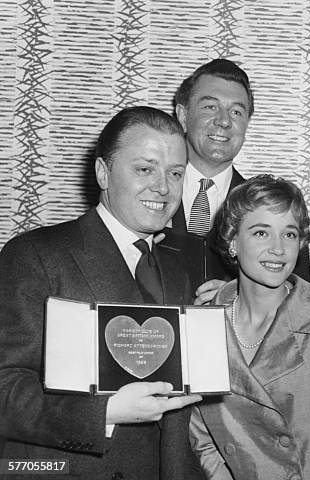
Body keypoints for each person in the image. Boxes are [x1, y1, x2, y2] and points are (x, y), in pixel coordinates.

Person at [0, 107, 202, 479]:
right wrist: (104, 413)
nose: (163, 187)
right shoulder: (35, 254)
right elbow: (5, 387)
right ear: (102, 173)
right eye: (145, 169)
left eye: (175, 173)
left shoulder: (176, 271)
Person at [186, 175, 310, 479]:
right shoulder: (202, 324)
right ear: (233, 242)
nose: (278, 249)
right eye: (261, 233)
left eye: (289, 234)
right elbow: (200, 434)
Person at [166, 59, 310, 289]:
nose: (224, 121)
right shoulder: (150, 194)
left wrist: (246, 295)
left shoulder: (271, 210)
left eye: (236, 111)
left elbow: (305, 298)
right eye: (210, 107)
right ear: (183, 116)